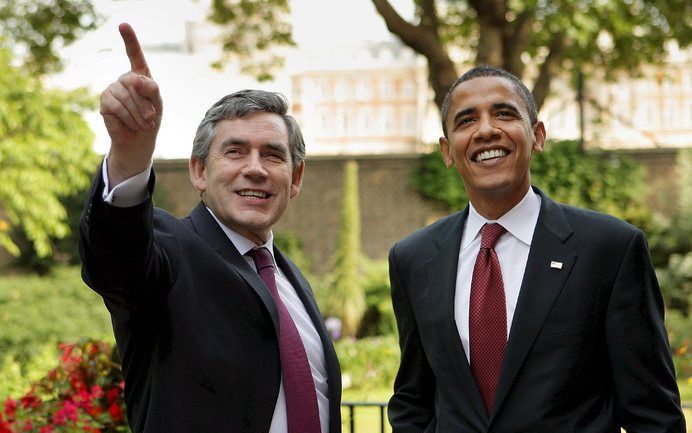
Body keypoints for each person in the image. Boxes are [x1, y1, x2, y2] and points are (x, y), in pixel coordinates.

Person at [387, 65, 685, 432]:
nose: (485, 130)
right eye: (466, 121)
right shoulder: (413, 259)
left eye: (504, 113)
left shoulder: (609, 248)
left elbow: (653, 415)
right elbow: (413, 402)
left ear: (538, 136)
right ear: (447, 152)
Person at [79, 23, 341, 433]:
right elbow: (116, 256)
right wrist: (130, 158)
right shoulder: (170, 252)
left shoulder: (291, 280)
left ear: (296, 178)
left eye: (272, 155)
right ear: (199, 170)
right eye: (234, 151)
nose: (254, 169)